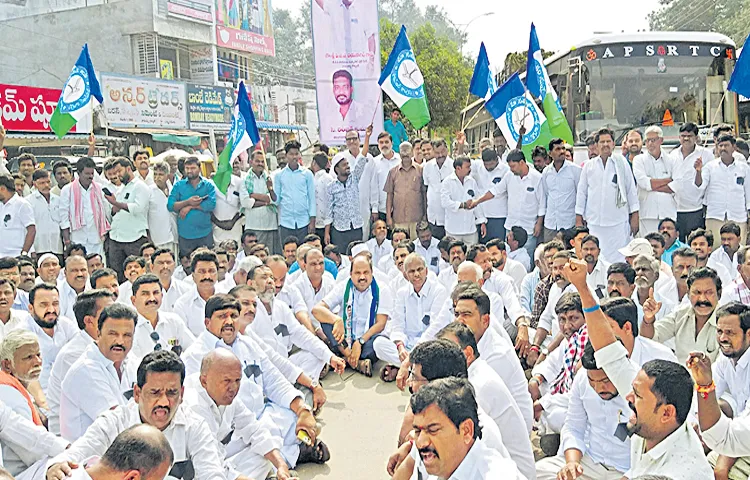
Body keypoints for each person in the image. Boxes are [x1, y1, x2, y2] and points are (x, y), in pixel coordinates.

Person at [564, 256, 714, 479]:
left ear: (667, 413)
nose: (628, 399)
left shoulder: (678, 472)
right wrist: (582, 287)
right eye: (633, 391)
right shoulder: (651, 423)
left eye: (637, 396)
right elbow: (609, 354)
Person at [179, 295, 326, 469]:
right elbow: (202, 411)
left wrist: (302, 410)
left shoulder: (248, 344)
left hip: (262, 415)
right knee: (256, 451)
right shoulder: (195, 355)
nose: (229, 321)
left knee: (300, 401)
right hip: (231, 432)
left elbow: (274, 380)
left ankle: (287, 454)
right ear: (207, 322)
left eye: (233, 316)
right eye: (222, 316)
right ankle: (293, 454)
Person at [46, 350, 226, 480]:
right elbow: (78, 452)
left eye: (172, 393)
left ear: (182, 394)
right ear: (137, 393)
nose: (164, 402)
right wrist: (55, 466)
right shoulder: (114, 421)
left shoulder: (194, 425)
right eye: (155, 392)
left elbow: (212, 473)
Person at [437, 325, 536, 479]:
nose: (443, 360)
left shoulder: (479, 385)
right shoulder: (470, 376)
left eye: (449, 353)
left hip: (511, 472)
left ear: (468, 354)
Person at [184, 349, 296, 480]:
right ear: (204, 381)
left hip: (220, 458)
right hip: (199, 471)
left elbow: (254, 429)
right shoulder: (194, 405)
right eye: (226, 381)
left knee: (263, 457)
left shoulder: (226, 396)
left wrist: (281, 466)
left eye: (237, 380)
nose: (233, 387)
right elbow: (211, 467)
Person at [535, 341, 630, 480]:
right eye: (593, 381)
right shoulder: (582, 378)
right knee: (537, 472)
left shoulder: (641, 387)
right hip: (589, 463)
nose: (598, 388)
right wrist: (572, 463)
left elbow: (650, 454)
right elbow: (574, 427)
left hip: (627, 471)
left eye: (605, 381)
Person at [247, 263, 344, 387]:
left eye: (271, 277)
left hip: (284, 366)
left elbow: (301, 334)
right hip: (262, 370)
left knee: (316, 356)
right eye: (264, 277)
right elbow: (263, 353)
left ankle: (296, 386)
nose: (270, 281)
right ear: (251, 284)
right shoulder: (248, 312)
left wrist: (331, 357)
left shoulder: (281, 307)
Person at [409, 377, 526, 479]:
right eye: (417, 431)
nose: (420, 442)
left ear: (466, 431)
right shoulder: (442, 464)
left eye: (433, 430)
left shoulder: (496, 475)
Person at [59, 303, 137, 442]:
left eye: (127, 335)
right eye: (113, 334)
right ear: (98, 332)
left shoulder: (131, 363)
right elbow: (117, 425)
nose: (120, 341)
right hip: (88, 459)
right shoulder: (85, 370)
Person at [312, 255, 393, 377]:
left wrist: (360, 342)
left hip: (367, 342)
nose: (362, 277)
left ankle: (341, 360)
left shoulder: (382, 289)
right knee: (327, 322)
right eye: (357, 273)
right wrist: (337, 320)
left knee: (378, 342)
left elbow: (381, 324)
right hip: (344, 342)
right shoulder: (344, 286)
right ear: (350, 273)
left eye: (366, 272)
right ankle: (354, 361)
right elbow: (316, 310)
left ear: (372, 272)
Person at [374, 253, 446, 382]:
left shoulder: (438, 291)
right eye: (412, 271)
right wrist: (400, 346)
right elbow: (397, 325)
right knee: (378, 344)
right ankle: (417, 370)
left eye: (419, 269)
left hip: (429, 345)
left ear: (426, 270)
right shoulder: (402, 293)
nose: (416, 274)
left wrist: (414, 351)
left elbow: (436, 328)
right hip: (407, 345)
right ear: (406, 275)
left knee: (439, 353)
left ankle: (404, 367)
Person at [576, 127, 640, 262]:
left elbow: (631, 190)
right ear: (597, 145)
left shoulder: (622, 163)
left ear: (613, 144)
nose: (605, 145)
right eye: (602, 142)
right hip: (595, 222)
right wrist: (578, 217)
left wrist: (635, 216)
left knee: (619, 258)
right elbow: (582, 193)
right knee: (597, 258)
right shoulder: (589, 166)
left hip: (618, 222)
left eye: (608, 141)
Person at [529, 293, 588, 436]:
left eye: (574, 318)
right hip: (565, 395)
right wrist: (537, 379)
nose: (567, 326)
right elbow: (551, 363)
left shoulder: (588, 340)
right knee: (538, 385)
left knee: (557, 416)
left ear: (585, 317)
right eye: (562, 320)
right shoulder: (569, 340)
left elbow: (579, 393)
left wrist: (544, 403)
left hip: (583, 403)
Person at [642, 266, 722, 362]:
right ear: (688, 294)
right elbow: (649, 338)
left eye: (709, 293)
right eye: (697, 292)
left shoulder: (727, 322)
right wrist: (648, 318)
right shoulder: (680, 314)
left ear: (719, 293)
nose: (702, 299)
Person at [129, 274, 194, 363]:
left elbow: (192, 349)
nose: (152, 298)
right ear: (133, 300)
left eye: (156, 293)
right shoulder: (129, 327)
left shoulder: (173, 321)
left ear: (162, 296)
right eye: (145, 294)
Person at [699, 134, 750, 245]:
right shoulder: (709, 167)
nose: (723, 148)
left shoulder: (744, 168)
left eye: (726, 145)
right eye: (720, 145)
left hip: (738, 215)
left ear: (734, 147)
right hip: (715, 215)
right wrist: (698, 172)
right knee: (715, 249)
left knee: (739, 250)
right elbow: (700, 186)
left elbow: (748, 193)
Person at [325, 133, 373, 249]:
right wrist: (327, 232)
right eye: (344, 165)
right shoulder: (331, 187)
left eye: (347, 164)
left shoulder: (355, 178)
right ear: (336, 169)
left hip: (356, 227)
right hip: (340, 230)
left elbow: (363, 156)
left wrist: (367, 137)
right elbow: (329, 211)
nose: (347, 166)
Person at [167, 156, 217, 258]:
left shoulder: (208, 185)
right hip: (186, 234)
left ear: (199, 168)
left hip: (205, 233)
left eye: (193, 168)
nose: (189, 171)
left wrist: (190, 207)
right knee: (187, 264)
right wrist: (188, 202)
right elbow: (170, 205)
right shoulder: (179, 186)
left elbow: (211, 204)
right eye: (187, 168)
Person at [59, 157, 109, 257]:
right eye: (87, 174)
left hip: (97, 239)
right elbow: (64, 217)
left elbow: (106, 214)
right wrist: (67, 242)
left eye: (92, 174)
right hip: (77, 239)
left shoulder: (99, 188)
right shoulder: (67, 190)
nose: (90, 177)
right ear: (78, 173)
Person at [632, 126, 677, 236]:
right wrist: (667, 181)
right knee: (649, 247)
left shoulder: (672, 159)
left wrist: (652, 185)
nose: (650, 144)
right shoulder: (639, 160)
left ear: (661, 140)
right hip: (647, 213)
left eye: (653, 140)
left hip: (668, 211)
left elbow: (676, 185)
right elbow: (644, 183)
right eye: (647, 141)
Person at [672, 122, 711, 241]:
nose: (686, 138)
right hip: (675, 209)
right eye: (683, 136)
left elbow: (702, 185)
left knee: (694, 244)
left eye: (690, 136)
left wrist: (698, 171)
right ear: (679, 137)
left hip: (695, 209)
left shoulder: (706, 155)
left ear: (696, 138)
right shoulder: (672, 155)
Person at [539, 138, 582, 243]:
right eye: (558, 149)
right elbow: (545, 195)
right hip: (550, 223)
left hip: (569, 223)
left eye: (563, 148)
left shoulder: (575, 170)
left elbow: (581, 195)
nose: (562, 151)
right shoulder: (546, 172)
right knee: (549, 255)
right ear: (550, 153)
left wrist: (579, 220)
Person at [173, 250, 224, 336]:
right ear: (193, 276)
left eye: (211, 271)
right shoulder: (182, 304)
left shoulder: (228, 298)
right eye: (202, 271)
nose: (207, 276)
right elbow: (183, 338)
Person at [275, 140, 317, 241]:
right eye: (291, 154)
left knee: (304, 253)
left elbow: (311, 198)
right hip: (286, 222)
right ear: (286, 155)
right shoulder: (279, 175)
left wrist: (312, 221)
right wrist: (270, 190)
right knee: (288, 253)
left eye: (296, 154)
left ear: (299, 155)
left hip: (304, 222)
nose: (294, 157)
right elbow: (276, 200)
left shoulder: (307, 174)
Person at [441, 156, 486, 246]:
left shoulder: (471, 181)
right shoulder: (447, 182)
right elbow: (445, 202)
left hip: (470, 229)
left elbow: (477, 202)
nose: (470, 169)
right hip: (453, 230)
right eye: (467, 167)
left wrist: (482, 222)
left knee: (472, 257)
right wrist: (462, 205)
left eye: (470, 166)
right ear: (458, 168)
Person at [384, 142, 425, 239]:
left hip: (417, 218)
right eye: (403, 150)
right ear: (399, 152)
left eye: (408, 150)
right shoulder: (392, 172)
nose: (405, 153)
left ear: (412, 153)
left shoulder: (420, 170)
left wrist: (425, 216)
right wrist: (388, 217)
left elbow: (424, 194)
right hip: (399, 219)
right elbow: (389, 196)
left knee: (416, 247)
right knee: (401, 246)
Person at [240, 150, 278, 254]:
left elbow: (275, 200)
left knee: (269, 256)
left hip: (270, 225)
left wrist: (254, 196)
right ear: (251, 161)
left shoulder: (271, 178)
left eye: (262, 161)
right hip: (253, 225)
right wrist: (265, 201)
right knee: (254, 256)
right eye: (257, 161)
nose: (260, 164)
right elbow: (246, 202)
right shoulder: (244, 180)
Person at [423, 138, 453, 240]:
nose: (440, 155)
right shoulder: (427, 167)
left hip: (450, 218)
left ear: (447, 150)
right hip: (433, 217)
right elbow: (426, 188)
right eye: (437, 152)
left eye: (442, 151)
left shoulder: (453, 166)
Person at [211, 156, 245, 248]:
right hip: (218, 229)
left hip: (236, 227)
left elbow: (244, 204)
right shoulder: (211, 184)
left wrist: (232, 222)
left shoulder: (239, 182)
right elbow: (207, 206)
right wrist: (218, 222)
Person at [28, 169, 62, 257]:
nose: (46, 185)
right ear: (35, 184)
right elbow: (27, 228)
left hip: (57, 248)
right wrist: (31, 249)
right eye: (42, 183)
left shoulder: (58, 200)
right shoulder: (28, 202)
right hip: (39, 248)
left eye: (48, 182)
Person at [0, 175, 35, 258]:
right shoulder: (1, 205)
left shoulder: (22, 204)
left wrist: (24, 253)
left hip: (17, 255)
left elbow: (31, 230)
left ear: (2, 189)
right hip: (2, 255)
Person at [147, 161, 178, 256]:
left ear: (167, 176)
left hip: (174, 236)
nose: (157, 177)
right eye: (155, 174)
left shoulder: (174, 189)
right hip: (158, 238)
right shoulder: (148, 191)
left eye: (160, 174)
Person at [373, 132, 401, 223]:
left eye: (386, 142)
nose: (384, 145)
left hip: (399, 209)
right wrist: (374, 209)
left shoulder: (400, 160)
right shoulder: (374, 162)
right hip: (381, 210)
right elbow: (373, 187)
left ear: (392, 143)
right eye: (381, 142)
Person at [311, 153, 333, 240]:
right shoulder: (313, 178)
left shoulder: (326, 179)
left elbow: (328, 204)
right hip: (316, 223)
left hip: (325, 225)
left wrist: (327, 231)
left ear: (314, 163)